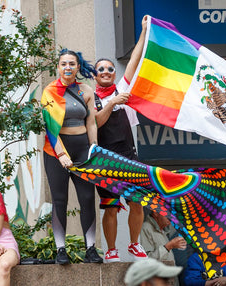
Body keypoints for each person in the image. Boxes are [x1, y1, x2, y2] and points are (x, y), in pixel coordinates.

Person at [94, 15, 148, 262]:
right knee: (111, 206)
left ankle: (135, 244)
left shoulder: (124, 88)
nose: (106, 71)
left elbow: (135, 62)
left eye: (110, 68)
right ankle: (112, 248)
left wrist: (144, 32)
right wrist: (112, 103)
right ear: (95, 75)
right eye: (101, 69)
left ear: (115, 73)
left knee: (137, 202)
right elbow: (96, 122)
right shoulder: (90, 97)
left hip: (129, 155)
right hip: (104, 160)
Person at [41, 48, 101, 264]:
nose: (67, 67)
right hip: (56, 150)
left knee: (87, 198)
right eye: (63, 64)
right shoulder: (50, 91)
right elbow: (50, 128)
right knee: (60, 200)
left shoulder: (86, 90)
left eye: (71, 64)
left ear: (77, 67)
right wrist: (61, 154)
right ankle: (60, 250)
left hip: (83, 149)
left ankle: (91, 249)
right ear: (58, 67)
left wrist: (94, 148)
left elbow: (91, 122)